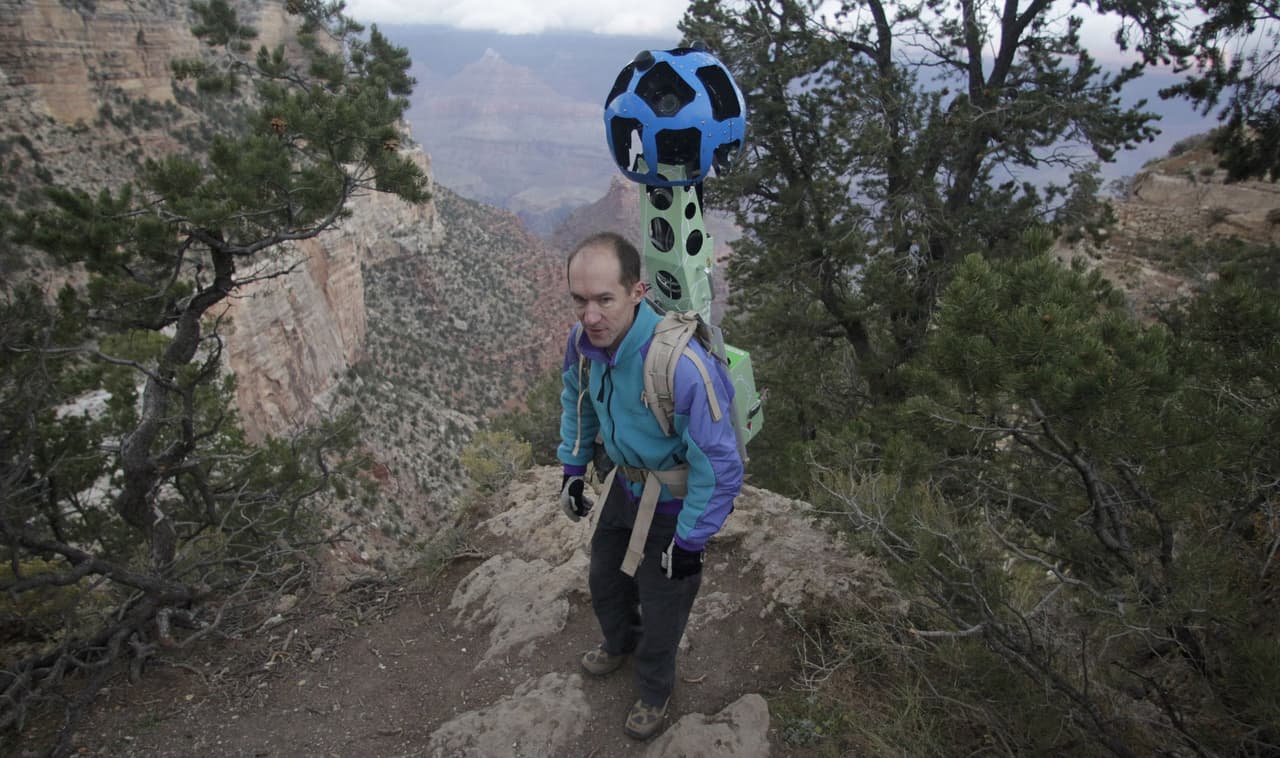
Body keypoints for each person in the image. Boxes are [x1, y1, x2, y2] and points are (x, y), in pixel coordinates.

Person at [556, 231, 744, 740]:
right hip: (624, 487)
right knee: (606, 580)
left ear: (637, 292)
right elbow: (577, 402)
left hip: (674, 502)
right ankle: (619, 644)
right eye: (579, 300)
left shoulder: (680, 366)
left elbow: (720, 465)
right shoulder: (583, 345)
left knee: (664, 605)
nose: (590, 316)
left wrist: (691, 541)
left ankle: (655, 690)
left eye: (604, 300)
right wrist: (573, 469)